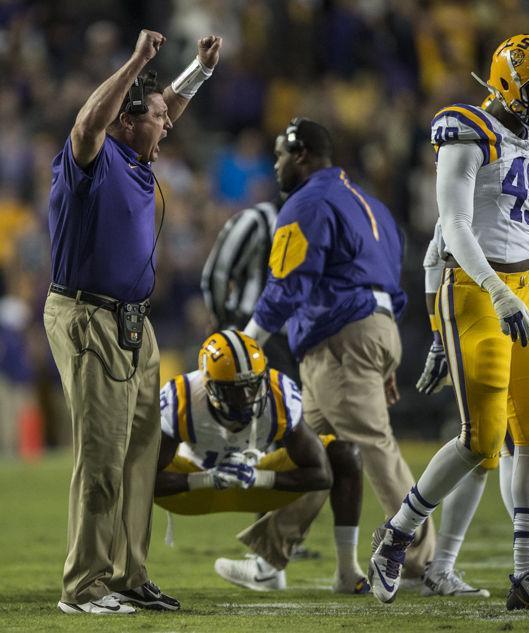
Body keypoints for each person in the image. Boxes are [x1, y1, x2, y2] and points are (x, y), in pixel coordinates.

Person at [369, 33, 529, 610]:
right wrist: (495, 295)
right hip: (474, 286)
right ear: (508, 83)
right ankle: (397, 536)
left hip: (526, 289)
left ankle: (528, 575)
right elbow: (454, 229)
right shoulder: (468, 132)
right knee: (482, 441)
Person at [44, 29, 222, 615]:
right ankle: (83, 586)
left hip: (132, 323)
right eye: (155, 118)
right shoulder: (93, 155)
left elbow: (161, 104)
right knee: (100, 457)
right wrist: (136, 61)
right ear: (124, 119)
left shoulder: (135, 148)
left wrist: (196, 71)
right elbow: (89, 121)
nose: (168, 125)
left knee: (141, 455)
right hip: (87, 317)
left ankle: (127, 575)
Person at [243, 117, 435, 578]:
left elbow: (288, 284)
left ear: (302, 154)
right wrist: (381, 352)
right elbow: (391, 282)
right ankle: (270, 555)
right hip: (372, 330)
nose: (276, 165)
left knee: (373, 446)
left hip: (339, 338)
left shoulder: (308, 203)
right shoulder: (371, 205)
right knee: (311, 453)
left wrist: (246, 341)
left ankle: (422, 558)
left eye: (280, 155)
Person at [415, 136, 529, 599]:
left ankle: (467, 564)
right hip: (476, 310)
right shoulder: (487, 173)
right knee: (489, 445)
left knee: (506, 446)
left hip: (518, 313)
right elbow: (437, 255)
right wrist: (441, 337)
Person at [154, 330, 368, 594]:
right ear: (208, 385)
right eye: (234, 391)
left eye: (252, 385)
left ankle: (347, 571)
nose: (246, 398)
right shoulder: (181, 397)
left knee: (345, 455)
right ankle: (126, 576)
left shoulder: (278, 393)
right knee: (127, 469)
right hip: (191, 489)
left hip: (257, 485)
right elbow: (146, 479)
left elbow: (321, 473)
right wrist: (205, 479)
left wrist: (259, 477)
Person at [201, 198, 299, 381]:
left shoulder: (258, 218)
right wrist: (223, 318)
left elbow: (217, 274)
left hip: (289, 339)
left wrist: (220, 316)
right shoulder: (259, 218)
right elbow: (218, 273)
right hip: (256, 331)